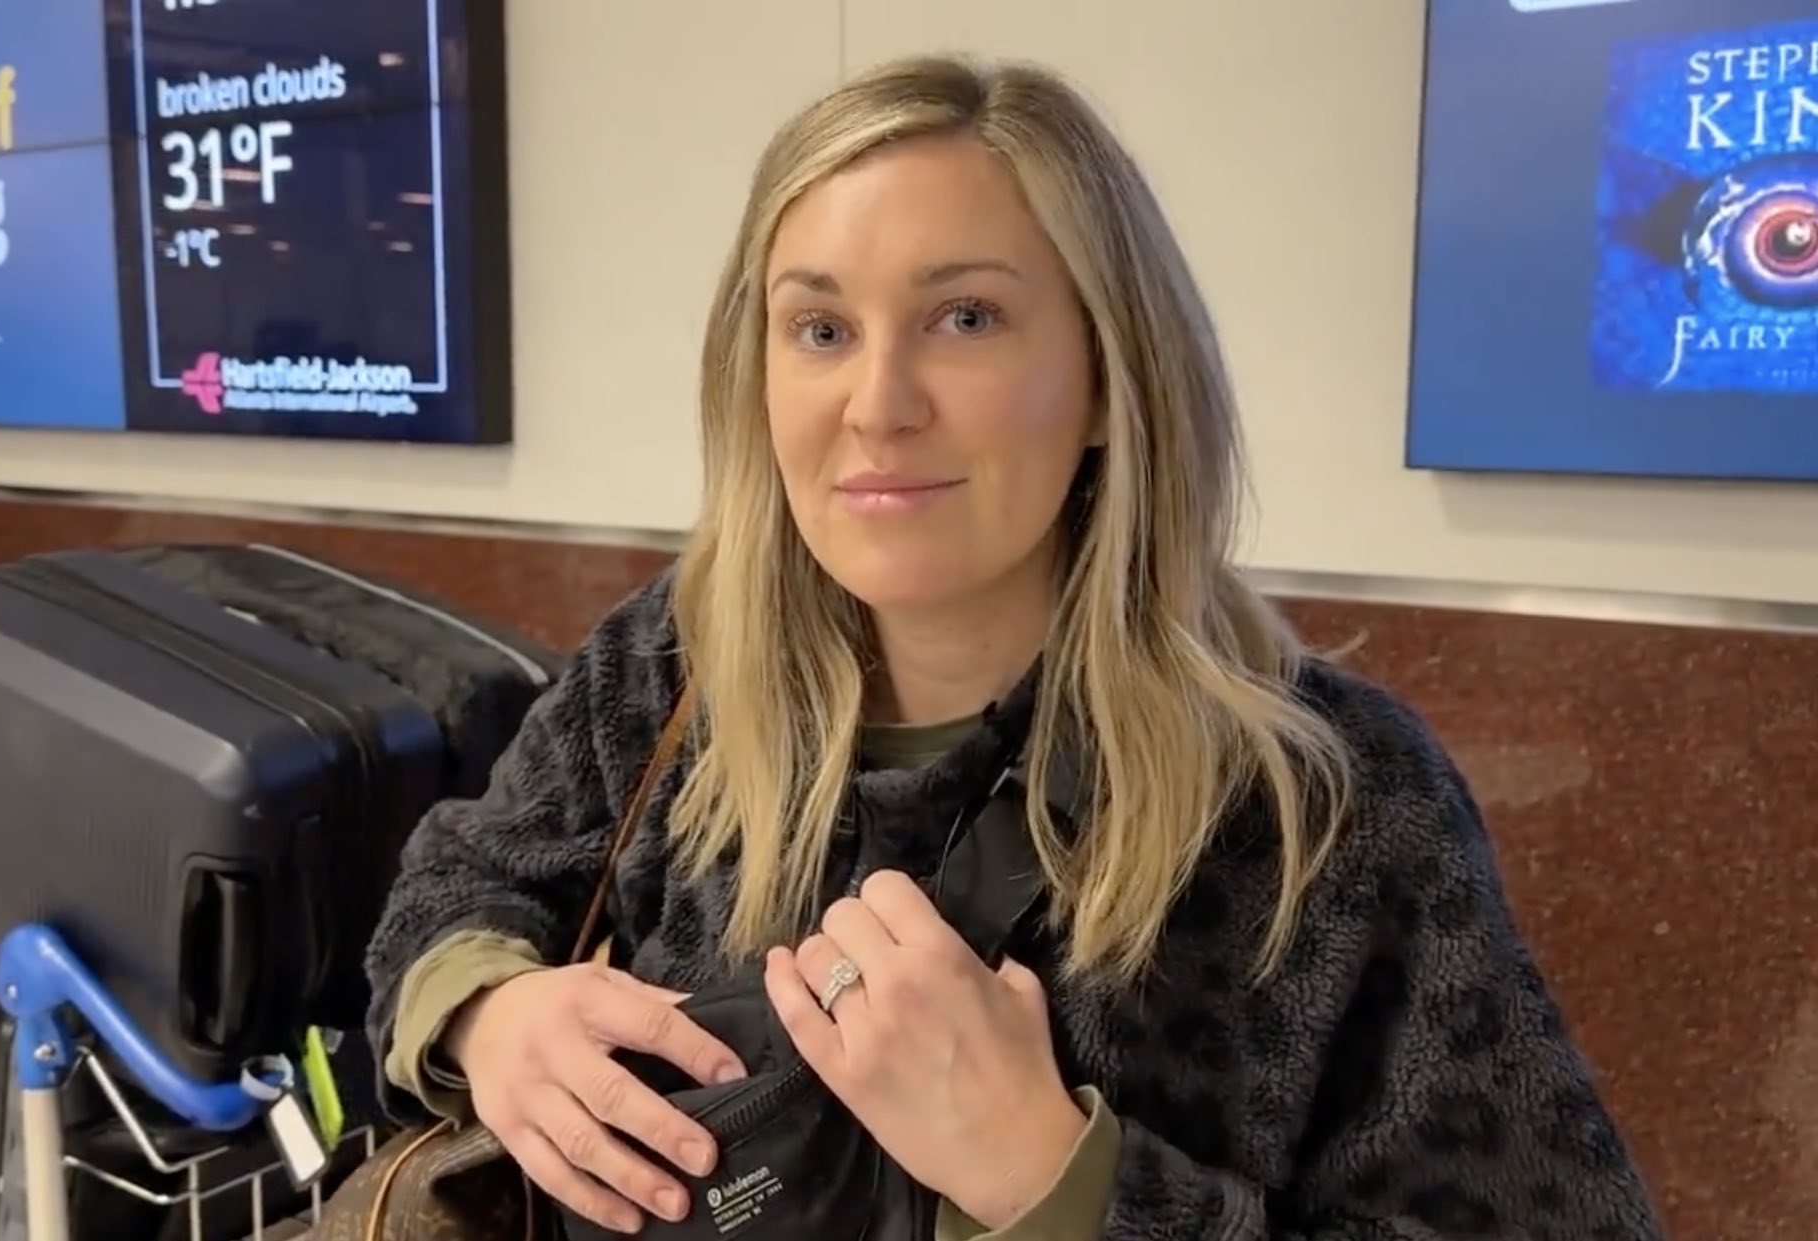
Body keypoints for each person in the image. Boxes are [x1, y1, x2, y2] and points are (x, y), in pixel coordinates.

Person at [364, 56, 1663, 1240]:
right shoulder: (669, 669)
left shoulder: (1325, 806)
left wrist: (1058, 1181)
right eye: (821, 329)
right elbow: (455, 886)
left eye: (966, 319)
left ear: (1107, 374)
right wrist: (490, 1011)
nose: (879, 406)